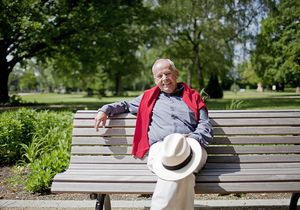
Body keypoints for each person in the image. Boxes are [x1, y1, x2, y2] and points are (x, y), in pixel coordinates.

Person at [95, 58, 213, 210]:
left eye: (167, 73)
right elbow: (124, 105)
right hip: (160, 149)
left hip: (192, 147)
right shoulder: (148, 97)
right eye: (159, 76)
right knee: (185, 175)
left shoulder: (193, 97)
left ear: (176, 74)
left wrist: (193, 138)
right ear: (154, 79)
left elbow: (205, 124)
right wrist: (104, 109)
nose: (164, 79)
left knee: (176, 173)